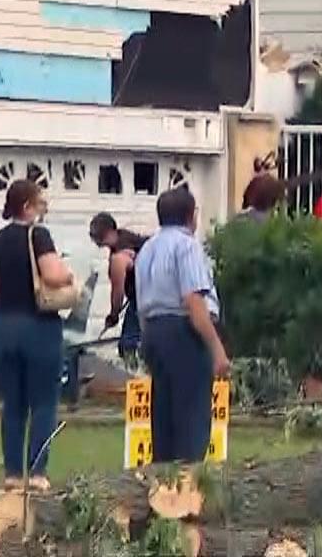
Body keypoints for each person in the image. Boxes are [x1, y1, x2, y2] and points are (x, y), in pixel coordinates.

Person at [0, 178, 75, 492]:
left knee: (14, 404)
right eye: (39, 201)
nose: (42, 206)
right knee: (44, 402)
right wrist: (68, 274)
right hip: (39, 327)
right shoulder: (39, 236)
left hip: (5, 326)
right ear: (26, 206)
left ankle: (11, 473)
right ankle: (36, 472)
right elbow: (51, 273)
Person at [135, 184, 232, 463]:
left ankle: (163, 479)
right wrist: (217, 349)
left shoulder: (147, 250)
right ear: (191, 215)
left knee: (163, 416)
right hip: (183, 331)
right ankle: (189, 483)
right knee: (191, 415)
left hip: (154, 330)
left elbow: (142, 303)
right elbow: (193, 300)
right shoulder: (186, 245)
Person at [89, 212, 148, 360]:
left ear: (108, 232)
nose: (94, 241)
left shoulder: (119, 255)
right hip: (150, 296)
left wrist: (114, 314)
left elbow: (118, 291)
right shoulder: (128, 238)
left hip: (143, 299)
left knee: (128, 346)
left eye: (95, 236)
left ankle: (133, 375)